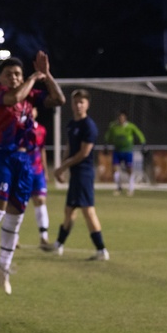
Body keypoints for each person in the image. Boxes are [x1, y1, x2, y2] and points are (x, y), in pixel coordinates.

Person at [0, 51, 65, 294]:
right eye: (9, 74)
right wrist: (33, 77)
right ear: (0, 78)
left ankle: (3, 266)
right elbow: (14, 98)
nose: (14, 77)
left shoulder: (30, 96)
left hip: (24, 162)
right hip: (1, 156)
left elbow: (59, 99)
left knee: (16, 217)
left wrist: (48, 75)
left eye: (17, 74)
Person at [51, 89, 109, 260]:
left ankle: (101, 250)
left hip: (84, 173)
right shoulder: (71, 124)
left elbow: (84, 153)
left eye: (81, 102)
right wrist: (63, 166)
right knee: (69, 211)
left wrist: (63, 168)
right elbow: (70, 146)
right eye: (75, 102)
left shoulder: (88, 126)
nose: (78, 105)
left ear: (87, 105)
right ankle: (59, 244)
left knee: (88, 211)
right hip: (75, 174)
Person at [20, 104, 53, 249]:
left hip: (38, 171)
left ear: (36, 111)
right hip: (24, 172)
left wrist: (45, 171)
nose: (31, 112)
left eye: (33, 109)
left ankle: (43, 237)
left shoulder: (42, 130)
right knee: (20, 205)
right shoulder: (20, 129)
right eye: (28, 110)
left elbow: (42, 150)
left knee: (40, 200)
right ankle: (14, 237)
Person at [103, 110, 146, 196]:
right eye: (120, 117)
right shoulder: (114, 126)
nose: (121, 119)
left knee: (129, 170)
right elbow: (108, 135)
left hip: (127, 151)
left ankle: (131, 188)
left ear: (125, 118)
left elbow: (139, 134)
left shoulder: (130, 126)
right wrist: (106, 144)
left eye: (123, 117)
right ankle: (118, 188)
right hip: (117, 151)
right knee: (115, 170)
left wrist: (143, 143)